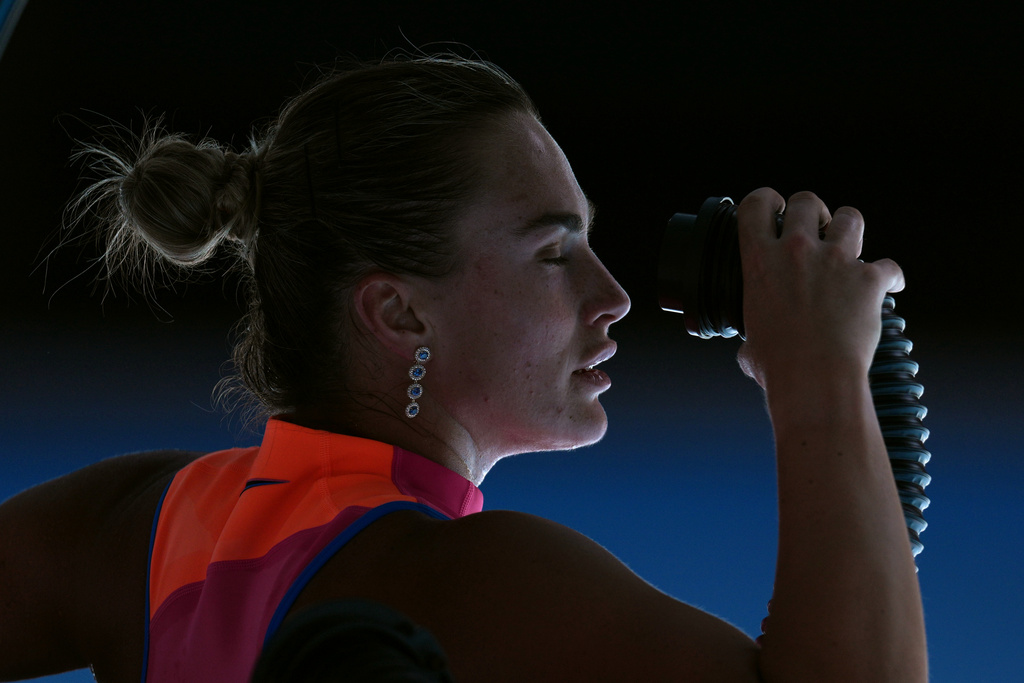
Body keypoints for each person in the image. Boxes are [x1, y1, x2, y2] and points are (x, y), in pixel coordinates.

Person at [0, 55, 927, 682]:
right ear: (399, 311)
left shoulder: (139, 522)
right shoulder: (478, 578)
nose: (613, 295)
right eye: (553, 253)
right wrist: (818, 376)